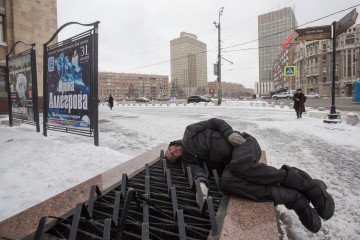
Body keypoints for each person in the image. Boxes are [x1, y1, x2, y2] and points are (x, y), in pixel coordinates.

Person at [164, 118, 334, 233]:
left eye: (170, 149)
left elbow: (214, 122)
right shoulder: (188, 161)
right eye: (171, 155)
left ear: (173, 144)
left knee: (240, 165)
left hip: (243, 144)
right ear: (176, 158)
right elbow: (197, 172)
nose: (172, 152)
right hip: (234, 162)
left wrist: (229, 133)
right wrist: (200, 183)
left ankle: (305, 183)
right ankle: (293, 197)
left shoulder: (189, 132)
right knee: (227, 183)